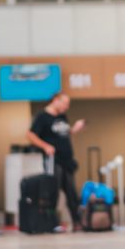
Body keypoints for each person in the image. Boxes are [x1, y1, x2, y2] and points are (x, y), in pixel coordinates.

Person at [26, 92, 86, 232]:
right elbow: (30, 135)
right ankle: (51, 223)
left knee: (71, 193)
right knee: (52, 192)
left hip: (67, 160)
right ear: (55, 100)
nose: (67, 107)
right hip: (53, 160)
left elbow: (62, 134)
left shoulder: (62, 116)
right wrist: (45, 146)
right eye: (65, 103)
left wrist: (74, 130)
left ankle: (77, 222)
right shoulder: (42, 117)